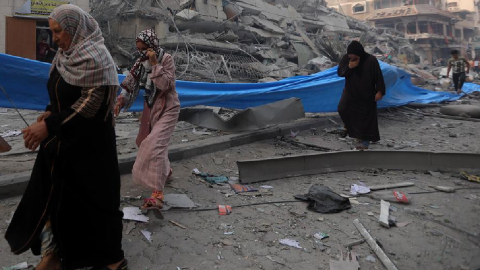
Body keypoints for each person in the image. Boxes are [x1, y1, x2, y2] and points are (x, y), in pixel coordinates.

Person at [5, 4, 127, 270]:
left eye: (58, 31)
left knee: (97, 205)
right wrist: (49, 113)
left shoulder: (98, 58)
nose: (55, 37)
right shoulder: (63, 56)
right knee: (59, 201)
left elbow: (91, 106)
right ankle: (56, 256)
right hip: (64, 142)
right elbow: (60, 93)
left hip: (91, 149)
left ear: (74, 28)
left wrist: (50, 126)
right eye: (52, 31)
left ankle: (114, 262)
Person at [115, 29, 180, 211]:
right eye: (139, 49)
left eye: (145, 48)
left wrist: (155, 65)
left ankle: (157, 194)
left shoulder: (166, 59)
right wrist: (120, 101)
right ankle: (165, 172)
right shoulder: (140, 63)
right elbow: (130, 82)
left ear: (153, 46)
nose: (142, 53)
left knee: (153, 145)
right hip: (151, 108)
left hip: (168, 108)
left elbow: (166, 85)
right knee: (145, 142)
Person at [337, 41, 386, 150]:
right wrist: (349, 67)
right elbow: (340, 73)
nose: (351, 57)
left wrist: (380, 91)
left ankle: (364, 141)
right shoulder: (346, 59)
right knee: (342, 108)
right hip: (350, 92)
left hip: (367, 94)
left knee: (366, 119)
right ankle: (348, 127)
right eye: (349, 55)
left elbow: (378, 76)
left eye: (353, 55)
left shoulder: (371, 60)